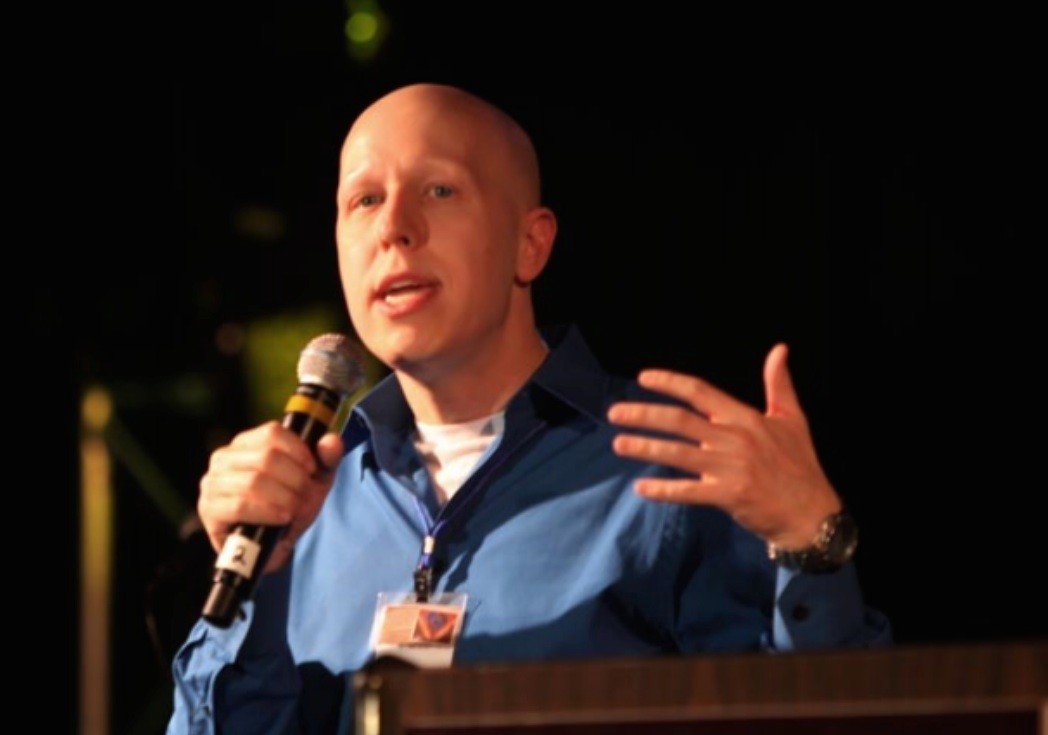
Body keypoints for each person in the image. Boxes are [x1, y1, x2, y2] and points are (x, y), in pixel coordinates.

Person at [166, 82, 891, 734]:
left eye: (439, 190)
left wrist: (811, 542)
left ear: (530, 244)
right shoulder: (303, 500)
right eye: (364, 200)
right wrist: (257, 580)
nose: (394, 228)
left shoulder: (668, 471)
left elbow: (816, 718)